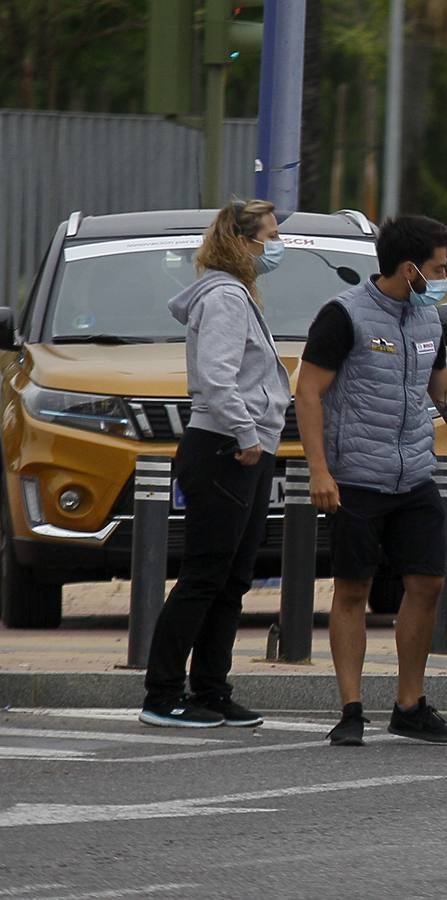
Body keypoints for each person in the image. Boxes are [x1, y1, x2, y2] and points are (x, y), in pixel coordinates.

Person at [294, 215, 447, 747]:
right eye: (437, 267)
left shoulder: (427, 320)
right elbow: (308, 392)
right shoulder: (344, 317)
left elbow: (445, 391)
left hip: (414, 474)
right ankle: (350, 708)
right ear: (410, 268)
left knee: (429, 583)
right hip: (358, 478)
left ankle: (410, 705)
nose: (443, 276)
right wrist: (320, 470)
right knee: (353, 591)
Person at [140, 200, 290, 729]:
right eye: (269, 236)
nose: (276, 246)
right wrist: (248, 434)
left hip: (246, 448)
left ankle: (211, 688)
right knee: (205, 574)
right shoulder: (226, 297)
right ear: (241, 241)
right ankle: (163, 694)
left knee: (233, 578)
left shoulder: (240, 296)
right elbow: (217, 376)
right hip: (226, 447)